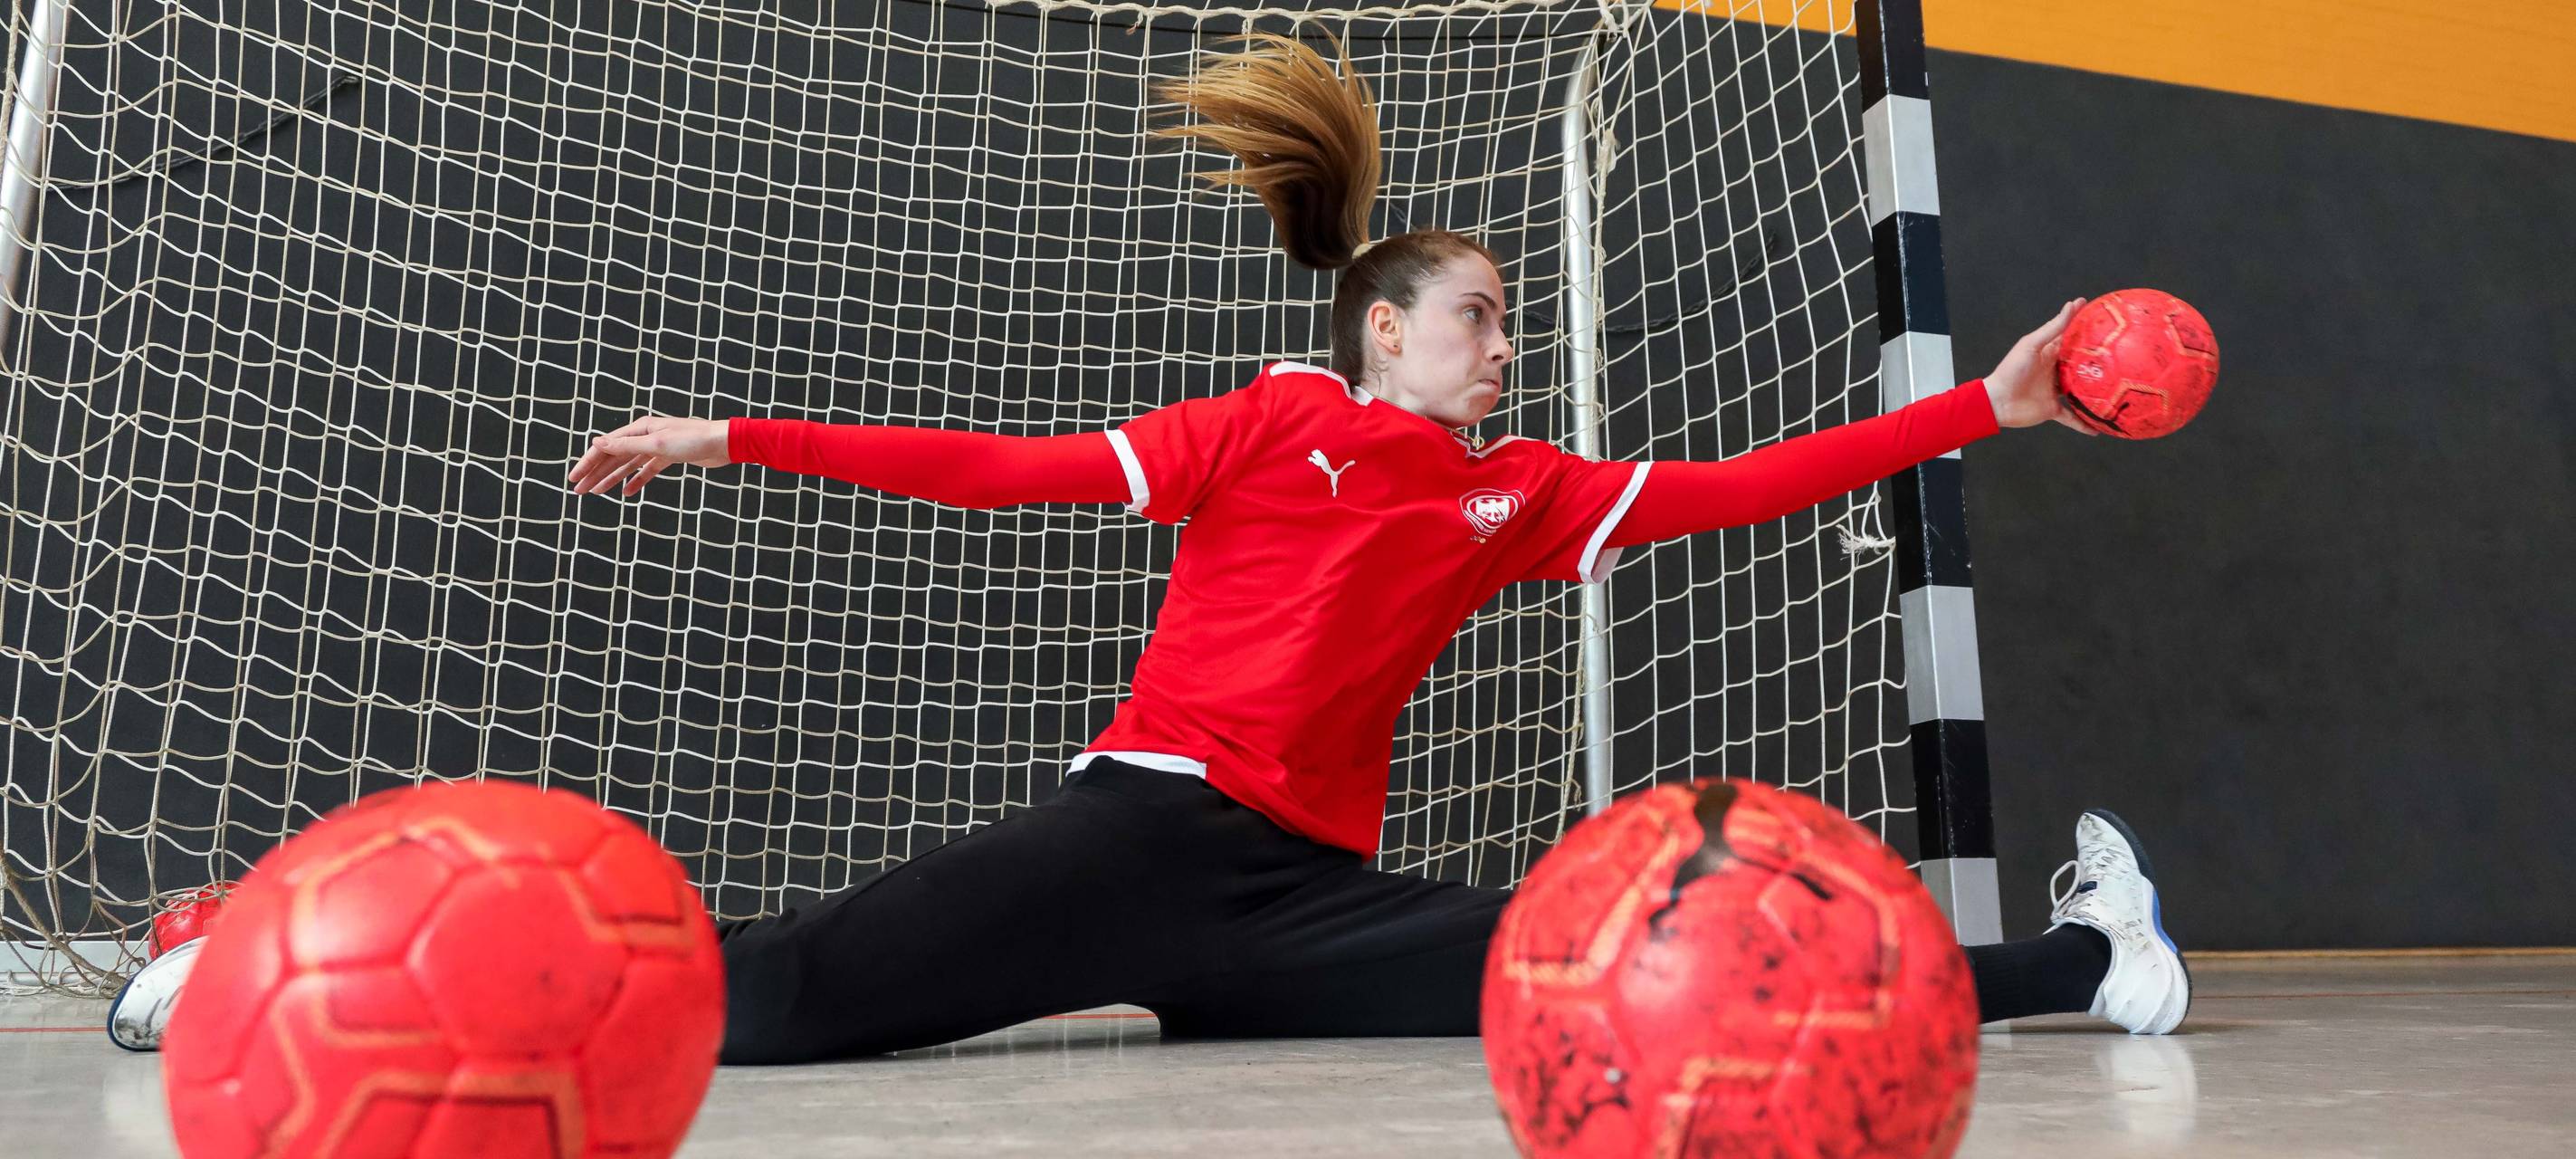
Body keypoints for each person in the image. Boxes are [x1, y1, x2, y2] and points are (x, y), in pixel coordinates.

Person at [111, 35, 2188, 1059]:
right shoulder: (1263, 426)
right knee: (769, 1000)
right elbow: (999, 473)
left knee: (1645, 976)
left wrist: (1983, 404)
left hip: (1291, 906)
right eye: (1476, 318)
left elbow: (1739, 489)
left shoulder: (1528, 488)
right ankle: (246, 957)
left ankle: (2097, 968)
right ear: (1383, 327)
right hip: (1134, 839)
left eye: (1503, 329)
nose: (1500, 346)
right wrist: (732, 429)